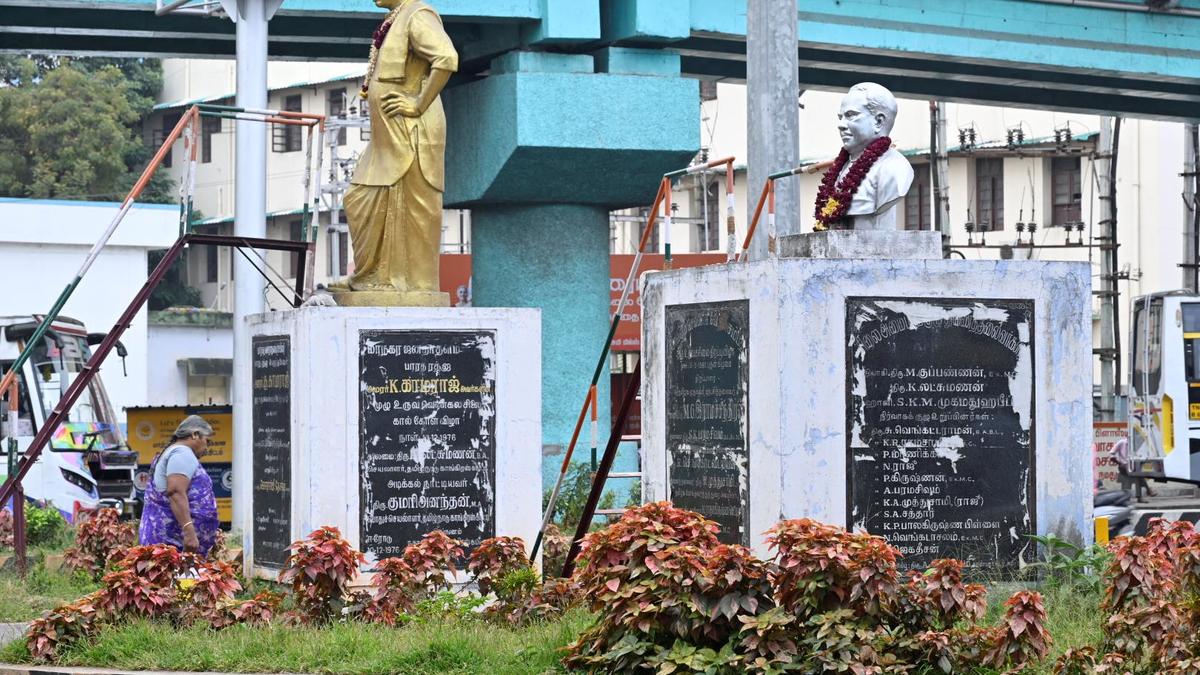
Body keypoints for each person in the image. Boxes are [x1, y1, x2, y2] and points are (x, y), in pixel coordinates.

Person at [331, 0, 459, 307]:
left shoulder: (418, 15)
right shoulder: (396, 17)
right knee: (360, 198)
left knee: (411, 207)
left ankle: (408, 285)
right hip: (386, 138)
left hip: (411, 132)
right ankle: (370, 275)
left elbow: (446, 58)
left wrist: (417, 103)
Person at [813, 82, 914, 231]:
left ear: (878, 121)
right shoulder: (842, 167)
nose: (841, 125)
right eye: (840, 117)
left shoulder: (895, 167)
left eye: (850, 115)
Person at [138, 415, 219, 555]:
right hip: (176, 545)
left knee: (185, 578)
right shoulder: (182, 453)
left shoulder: (174, 452)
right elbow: (175, 491)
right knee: (183, 577)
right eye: (207, 440)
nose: (207, 447)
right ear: (195, 434)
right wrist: (189, 533)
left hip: (176, 545)